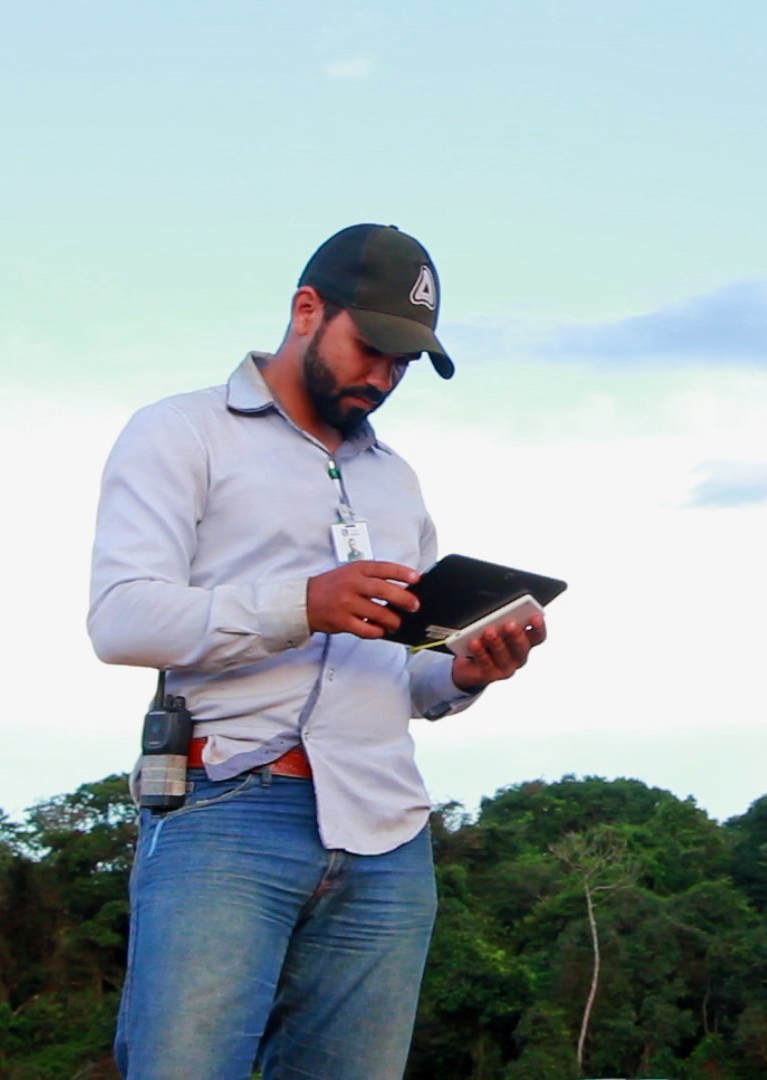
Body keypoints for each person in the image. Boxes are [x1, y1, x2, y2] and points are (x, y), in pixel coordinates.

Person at [87, 223, 546, 1079]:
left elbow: (399, 669)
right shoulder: (181, 433)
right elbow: (121, 617)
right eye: (371, 348)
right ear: (307, 310)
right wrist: (303, 605)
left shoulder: (395, 480)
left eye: (404, 364)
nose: (383, 376)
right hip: (229, 806)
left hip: (385, 827)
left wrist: (462, 670)